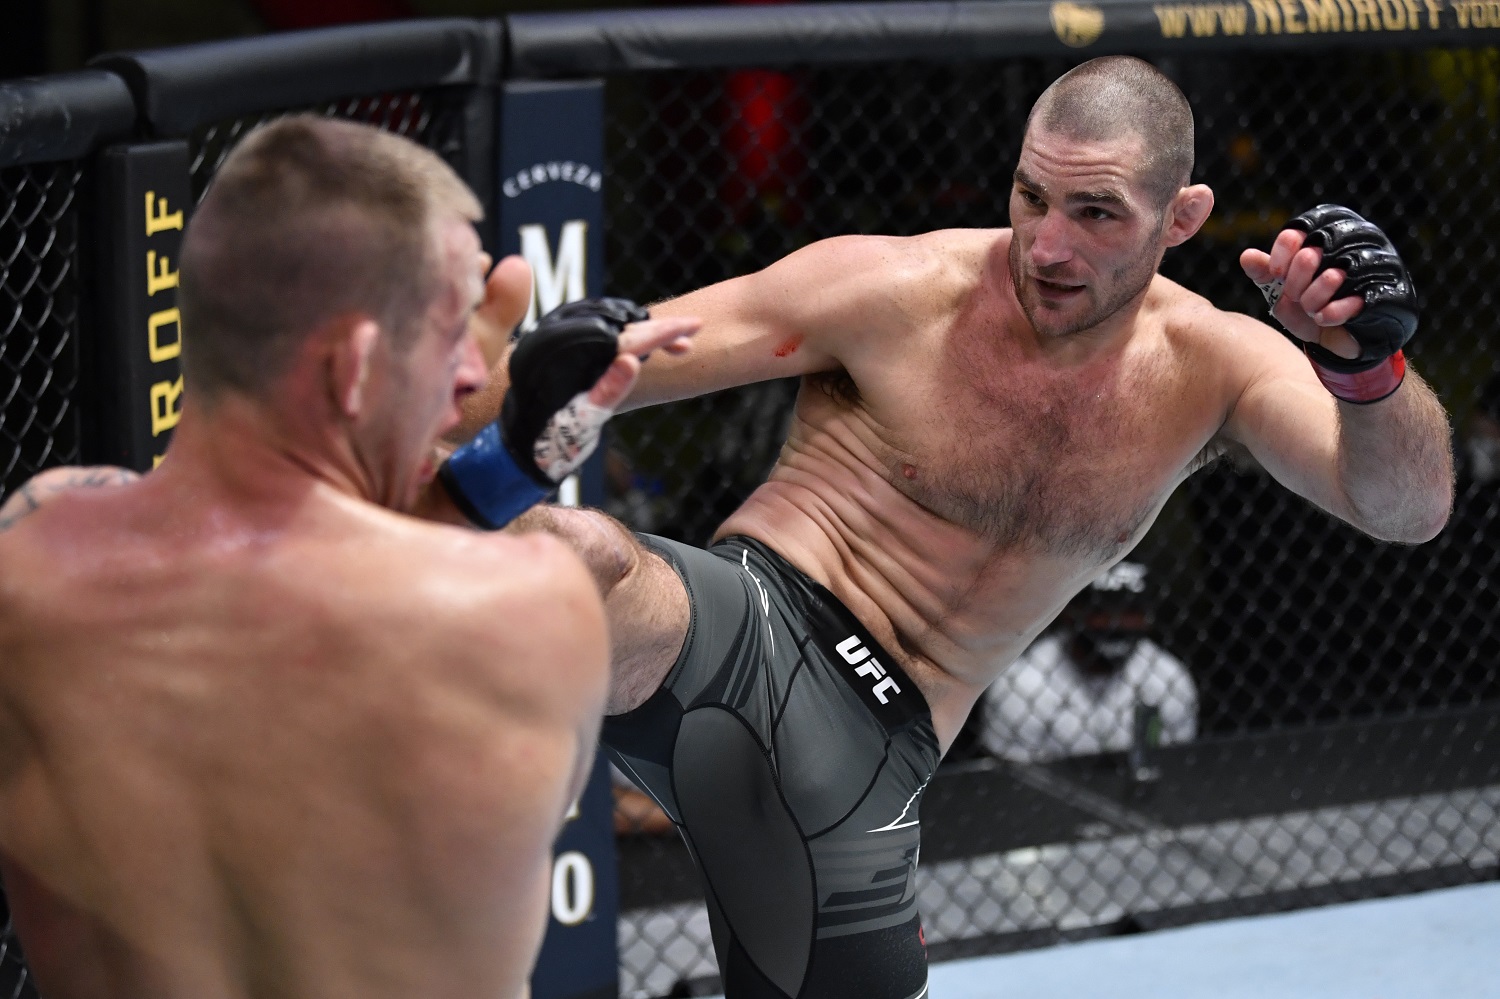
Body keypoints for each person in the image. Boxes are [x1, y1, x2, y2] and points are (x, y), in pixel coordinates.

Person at [433, 56, 1454, 999]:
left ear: (1180, 217)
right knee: (578, 558)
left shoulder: (1215, 367)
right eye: (1031, 196)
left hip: (878, 754)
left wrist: (1367, 371)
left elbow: (1407, 511)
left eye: (1097, 212)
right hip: (735, 629)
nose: (1047, 247)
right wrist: (496, 383)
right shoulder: (891, 290)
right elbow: (582, 376)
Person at [0, 115, 694, 999]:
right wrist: (503, 472)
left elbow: (267, 595)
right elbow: (363, 607)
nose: (476, 380)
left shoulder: (29, 549)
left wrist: (477, 460)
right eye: (451, 340)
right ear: (356, 364)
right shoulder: (530, 606)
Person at [977, 561, 1197, 764]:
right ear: (1069, 612)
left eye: (1131, 611)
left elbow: (1175, 770)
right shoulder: (1023, 685)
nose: (1116, 623)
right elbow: (1012, 786)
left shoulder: (1168, 677)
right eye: (1101, 611)